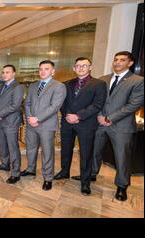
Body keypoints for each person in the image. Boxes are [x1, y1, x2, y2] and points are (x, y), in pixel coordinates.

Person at [90, 51, 144, 201]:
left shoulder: (138, 81)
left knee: (122, 157)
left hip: (121, 126)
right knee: (94, 151)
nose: (117, 62)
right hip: (100, 123)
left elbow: (133, 105)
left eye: (122, 60)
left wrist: (109, 118)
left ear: (130, 63)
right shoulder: (103, 79)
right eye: (116, 60)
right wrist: (100, 116)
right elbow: (97, 100)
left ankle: (122, 186)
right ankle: (92, 174)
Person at [53, 57, 106, 196]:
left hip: (86, 124)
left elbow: (97, 104)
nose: (81, 68)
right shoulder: (66, 84)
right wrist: (67, 115)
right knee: (65, 150)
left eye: (84, 65)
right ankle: (64, 172)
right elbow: (62, 103)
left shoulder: (99, 84)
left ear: (90, 67)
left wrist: (78, 116)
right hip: (67, 122)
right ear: (74, 68)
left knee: (86, 153)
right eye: (78, 66)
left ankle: (85, 182)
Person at [22, 60, 66, 191]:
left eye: (46, 69)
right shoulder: (33, 85)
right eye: (40, 69)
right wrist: (30, 117)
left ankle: (48, 178)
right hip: (31, 124)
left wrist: (38, 118)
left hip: (47, 125)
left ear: (53, 71)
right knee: (31, 148)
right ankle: (30, 169)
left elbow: (55, 106)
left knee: (47, 152)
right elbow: (27, 103)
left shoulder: (59, 86)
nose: (42, 71)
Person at [0, 65, 24, 184]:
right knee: (3, 145)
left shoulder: (18, 87)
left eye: (7, 72)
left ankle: (15, 173)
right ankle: (5, 164)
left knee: (13, 147)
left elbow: (15, 105)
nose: (4, 74)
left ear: (14, 73)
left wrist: (0, 113)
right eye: (3, 72)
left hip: (11, 121)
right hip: (0, 121)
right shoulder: (1, 86)